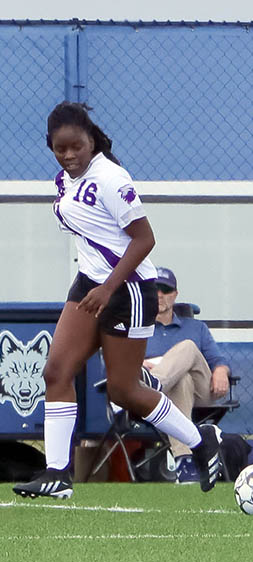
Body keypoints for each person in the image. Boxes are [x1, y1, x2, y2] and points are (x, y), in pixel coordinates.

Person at [13, 102, 220, 499]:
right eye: (61, 149)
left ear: (92, 141)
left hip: (127, 290)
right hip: (90, 283)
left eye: (76, 146)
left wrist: (109, 288)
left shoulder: (111, 178)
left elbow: (145, 240)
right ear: (51, 148)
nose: (69, 155)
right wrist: (98, 284)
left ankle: (200, 440)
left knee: (124, 391)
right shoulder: (63, 180)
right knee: (56, 372)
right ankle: (57, 473)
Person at [145, 266, 232, 484]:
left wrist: (221, 371)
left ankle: (157, 383)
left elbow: (218, 360)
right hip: (159, 396)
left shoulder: (196, 327)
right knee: (180, 381)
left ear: (175, 295)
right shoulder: (137, 328)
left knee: (189, 347)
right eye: (154, 289)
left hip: (201, 392)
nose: (159, 295)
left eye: (165, 290)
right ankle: (184, 461)